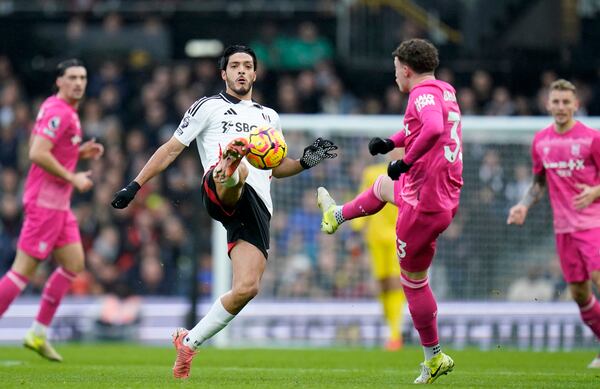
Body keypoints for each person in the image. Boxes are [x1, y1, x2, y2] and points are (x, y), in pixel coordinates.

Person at [110, 45, 338, 379]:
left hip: (256, 206)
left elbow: (274, 167)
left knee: (248, 287)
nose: (242, 71)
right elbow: (172, 148)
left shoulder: (269, 117)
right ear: (224, 74)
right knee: (238, 171)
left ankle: (189, 341)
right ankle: (229, 163)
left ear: (256, 74)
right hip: (219, 188)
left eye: (248, 66)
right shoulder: (207, 107)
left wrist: (305, 162)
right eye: (235, 66)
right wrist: (135, 185)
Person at [317, 38, 462, 384]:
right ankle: (336, 215)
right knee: (382, 187)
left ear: (406, 69)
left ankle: (435, 356)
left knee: (412, 282)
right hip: (442, 195)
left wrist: (406, 160)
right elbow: (423, 127)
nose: (394, 75)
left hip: (422, 202)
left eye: (396, 68)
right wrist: (392, 142)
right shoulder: (445, 90)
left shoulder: (419, 94)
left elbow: (434, 128)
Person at [0, 59, 104, 361]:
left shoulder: (59, 108)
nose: (79, 83)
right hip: (45, 204)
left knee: (74, 263)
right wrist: (73, 176)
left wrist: (77, 152)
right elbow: (36, 152)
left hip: (58, 205)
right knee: (21, 273)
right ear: (58, 81)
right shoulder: (60, 112)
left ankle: (38, 333)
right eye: (71, 77)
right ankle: (36, 332)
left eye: (83, 77)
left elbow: (42, 143)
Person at [507, 79, 600, 368]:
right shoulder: (541, 141)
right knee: (579, 294)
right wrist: (523, 205)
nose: (561, 107)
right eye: (556, 102)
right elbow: (538, 182)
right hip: (563, 230)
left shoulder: (591, 138)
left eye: (566, 102)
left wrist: (595, 191)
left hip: (593, 224)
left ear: (576, 105)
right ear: (548, 104)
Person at [349, 154, 406, 351]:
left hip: (400, 235)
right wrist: (356, 228)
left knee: (395, 281)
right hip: (375, 237)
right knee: (382, 285)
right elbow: (363, 198)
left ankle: (395, 334)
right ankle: (391, 327)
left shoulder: (410, 172)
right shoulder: (371, 173)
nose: (398, 152)